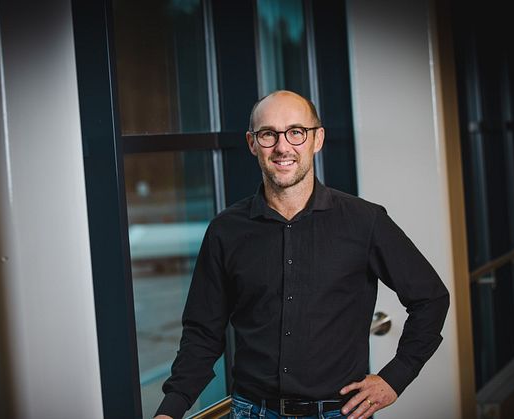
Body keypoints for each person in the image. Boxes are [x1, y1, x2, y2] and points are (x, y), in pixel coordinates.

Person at [154, 90, 449, 419]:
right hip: (252, 411)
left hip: (339, 413)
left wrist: (395, 378)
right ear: (252, 143)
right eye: (268, 134)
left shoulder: (366, 221)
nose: (282, 147)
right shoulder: (225, 231)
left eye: (296, 132)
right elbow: (203, 333)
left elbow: (431, 298)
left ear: (317, 139)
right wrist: (171, 409)